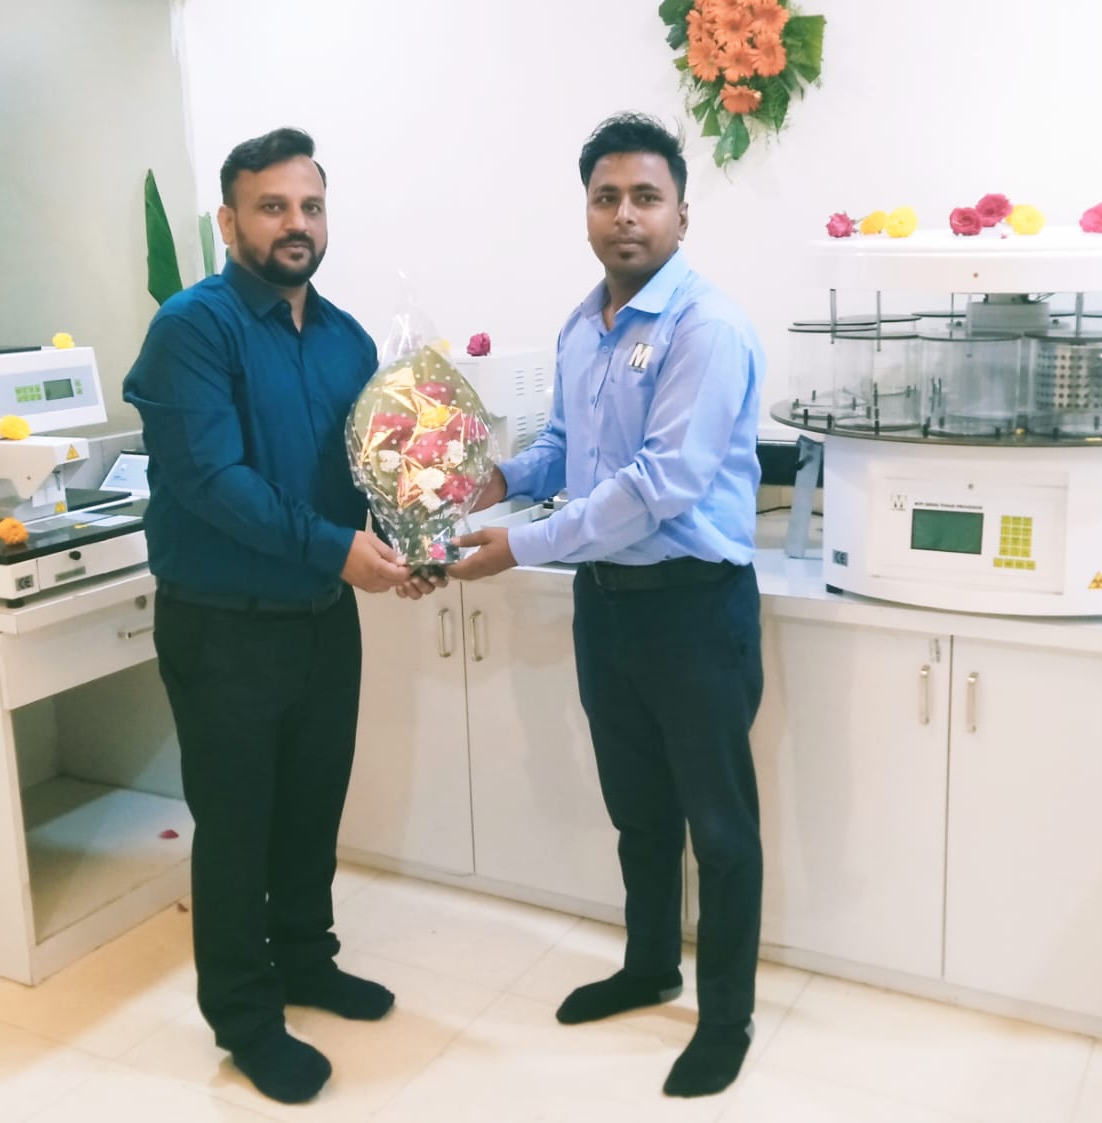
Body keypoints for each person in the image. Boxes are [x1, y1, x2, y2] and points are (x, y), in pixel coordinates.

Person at [450, 112, 766, 1099]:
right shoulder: (582, 326)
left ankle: (725, 1019)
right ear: (586, 211)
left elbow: (659, 484)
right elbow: (568, 450)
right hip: (608, 605)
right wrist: (498, 480)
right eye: (606, 197)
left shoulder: (705, 328)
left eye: (646, 197)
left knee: (720, 827)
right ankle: (648, 966)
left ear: (681, 214)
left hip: (694, 609)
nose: (625, 215)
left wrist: (523, 544)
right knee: (638, 810)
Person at [124, 126, 434, 1105]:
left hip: (320, 618)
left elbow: (363, 473)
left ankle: (306, 960)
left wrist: (410, 538)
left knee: (310, 809)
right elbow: (213, 480)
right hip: (223, 624)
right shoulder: (193, 329)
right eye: (272, 207)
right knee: (237, 828)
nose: (295, 224)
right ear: (229, 222)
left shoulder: (347, 339)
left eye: (310, 206)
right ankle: (246, 1017)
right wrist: (338, 550)